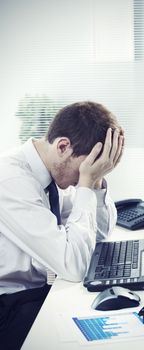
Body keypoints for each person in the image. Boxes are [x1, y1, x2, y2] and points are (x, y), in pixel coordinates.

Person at [0, 101, 124, 349]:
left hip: (35, 294)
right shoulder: (11, 180)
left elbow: (98, 234)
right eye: (85, 169)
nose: (82, 178)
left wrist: (96, 180)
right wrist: (86, 183)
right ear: (63, 147)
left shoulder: (53, 171)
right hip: (9, 306)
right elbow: (73, 265)